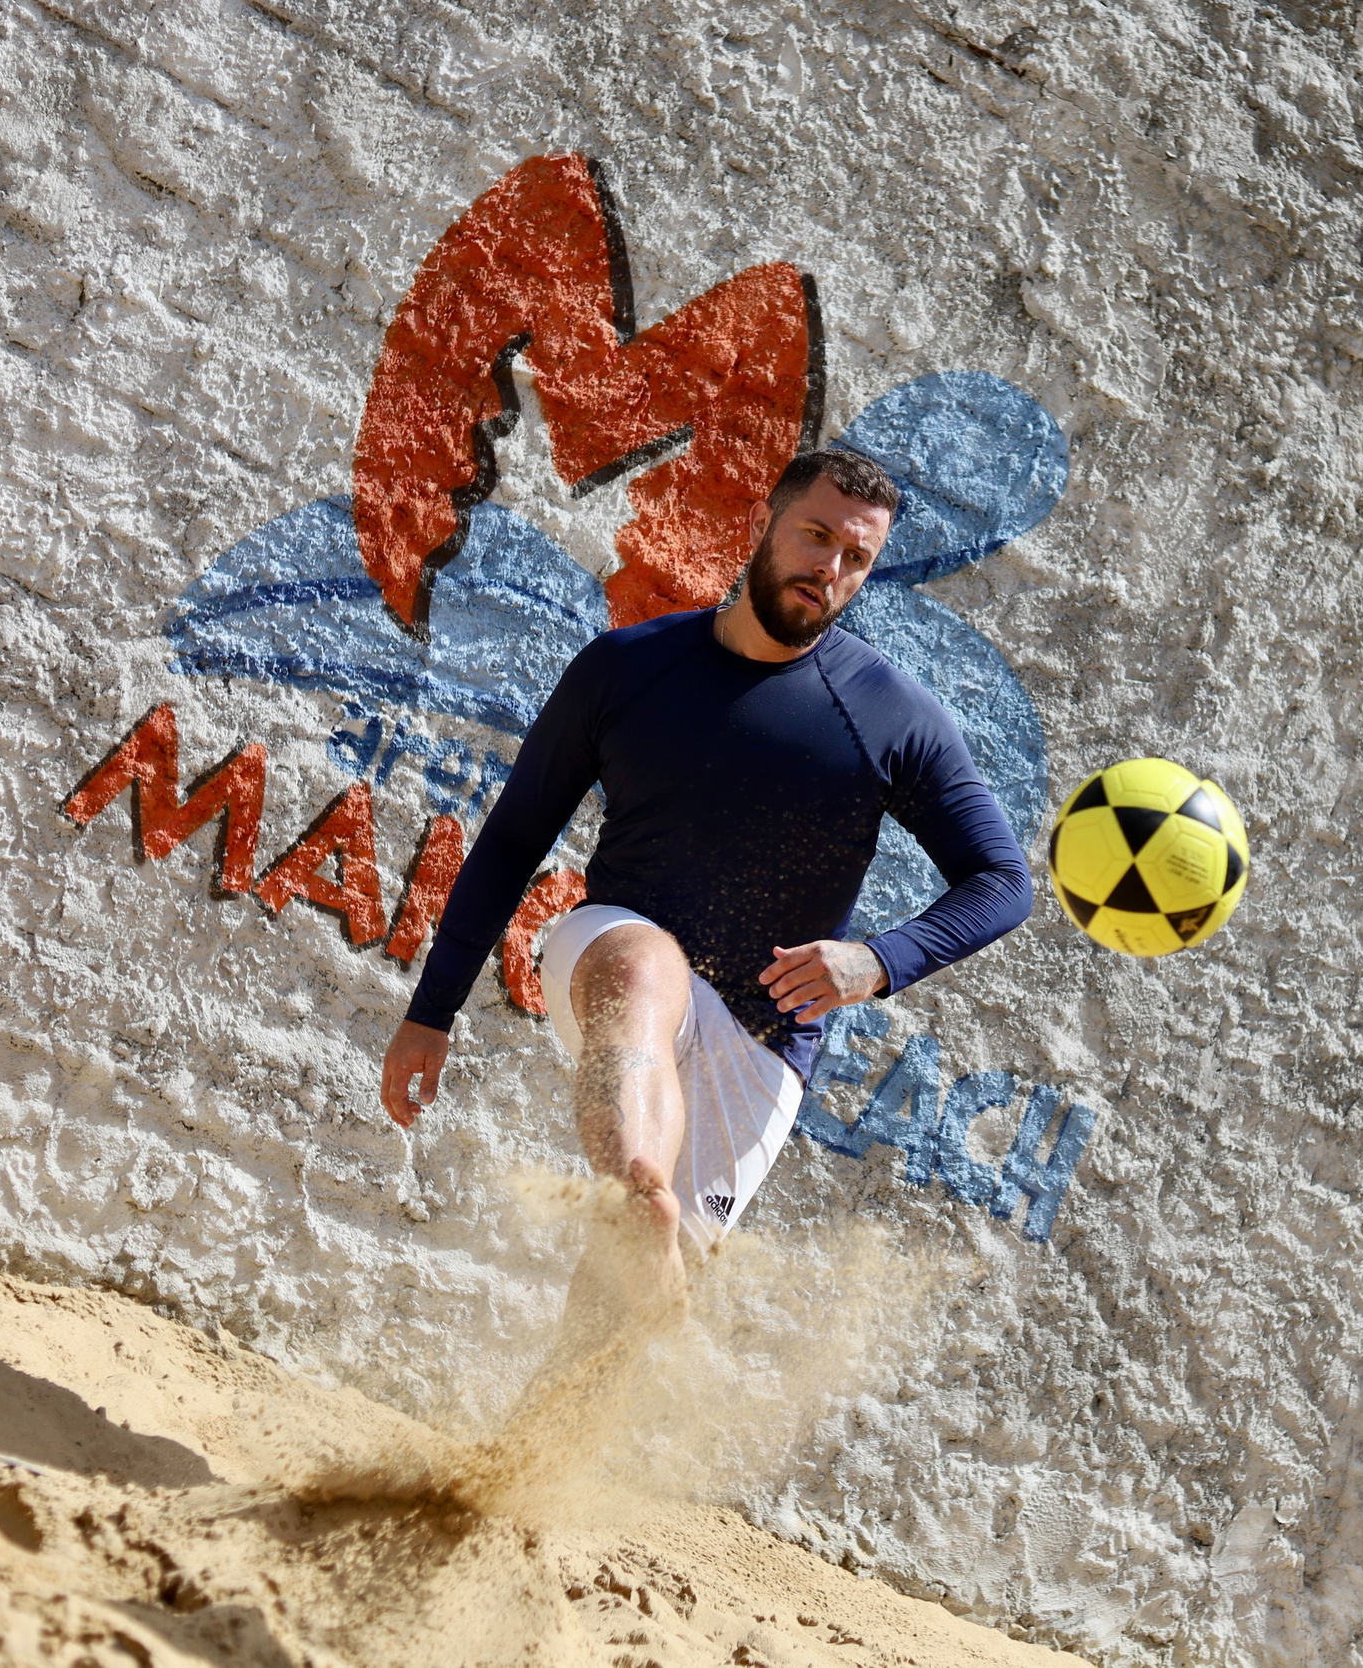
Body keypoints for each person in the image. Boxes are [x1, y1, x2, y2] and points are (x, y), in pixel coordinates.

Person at [378, 447, 1034, 1304]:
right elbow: (512, 841)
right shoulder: (626, 668)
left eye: (856, 556)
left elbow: (1002, 881)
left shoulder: (892, 717)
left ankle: (577, 1365)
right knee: (645, 965)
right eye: (816, 535)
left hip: (764, 1043)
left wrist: (876, 961)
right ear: (763, 521)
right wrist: (431, 1011)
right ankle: (636, 1183)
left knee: (627, 1306)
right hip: (615, 955)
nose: (829, 567)